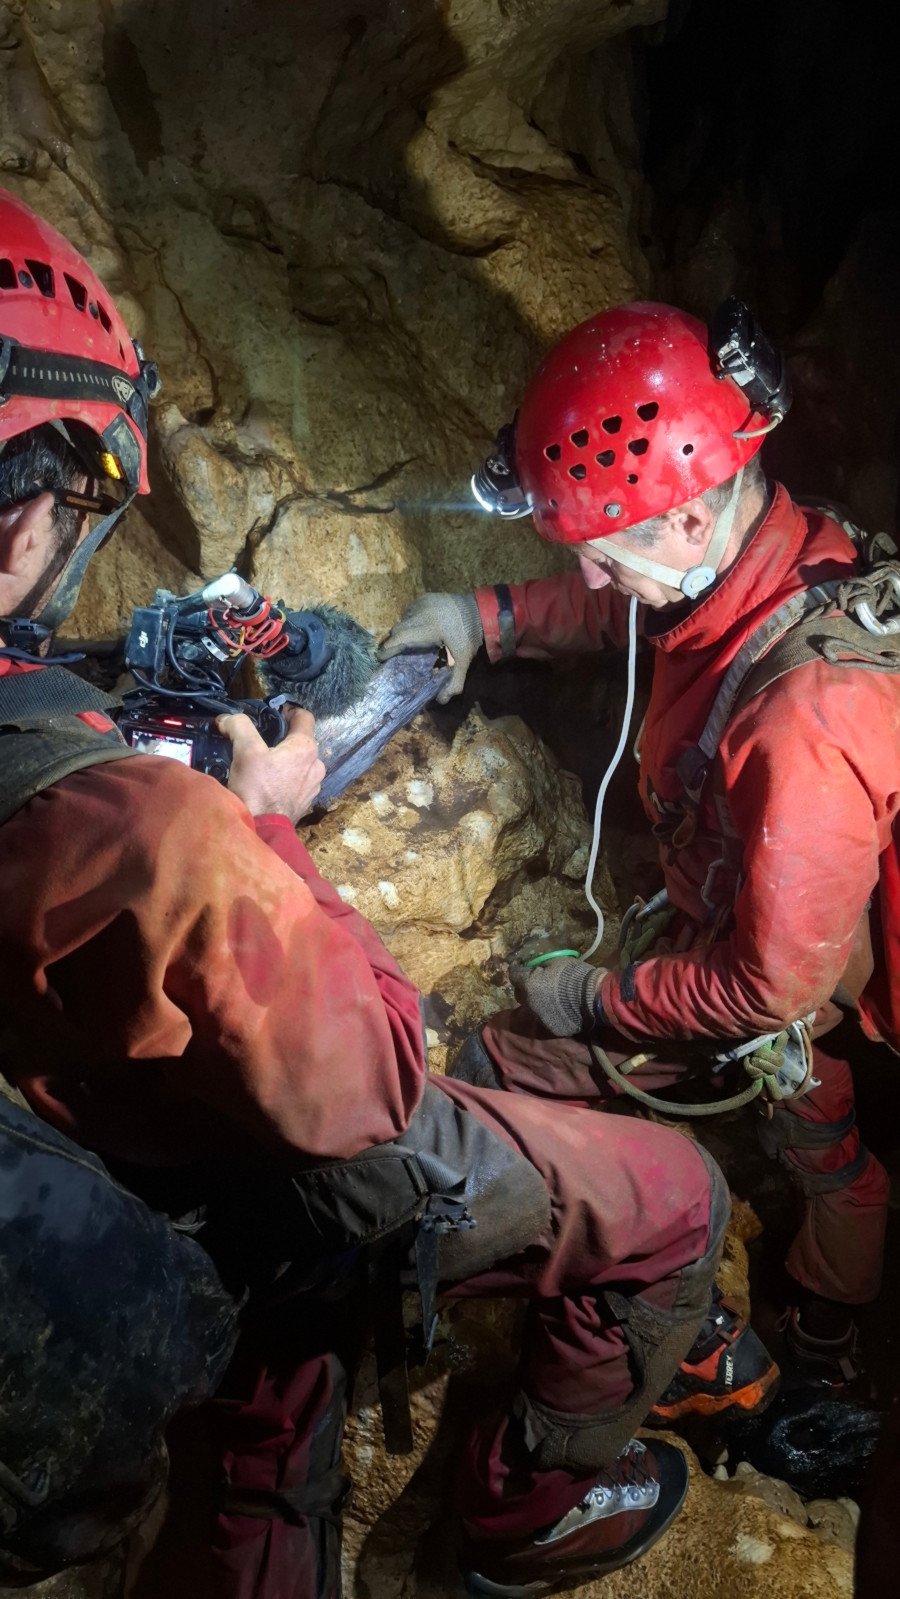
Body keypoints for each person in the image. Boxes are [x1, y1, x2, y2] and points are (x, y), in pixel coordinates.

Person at [0, 194, 769, 1599]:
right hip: (223, 1147)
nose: (580, 561)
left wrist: (489, 614)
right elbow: (367, 1080)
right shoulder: (146, 829)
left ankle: (265, 1468)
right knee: (676, 1192)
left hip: (96, 1136)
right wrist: (266, 823)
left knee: (267, 1421)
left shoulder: (812, 703)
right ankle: (531, 1510)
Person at [381, 298, 895, 1390]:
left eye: (605, 553)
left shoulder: (805, 723)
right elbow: (640, 617)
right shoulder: (775, 553)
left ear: (684, 524)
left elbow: (767, 991)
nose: (595, 579)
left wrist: (599, 1003)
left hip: (807, 966)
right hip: (795, 914)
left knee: (819, 1140)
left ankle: (808, 1330)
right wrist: (489, 617)